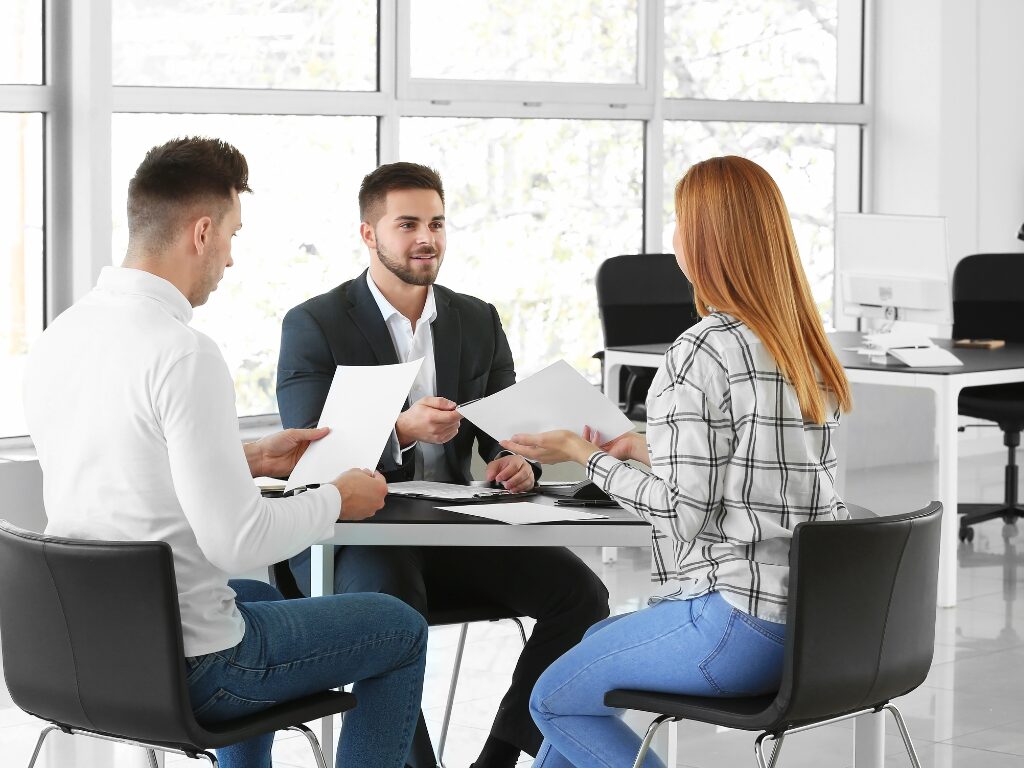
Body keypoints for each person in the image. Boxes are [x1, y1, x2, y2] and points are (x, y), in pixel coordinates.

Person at [24, 137, 428, 768]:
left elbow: (123, 468)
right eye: (234, 236)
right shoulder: (182, 352)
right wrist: (336, 500)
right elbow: (239, 541)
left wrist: (251, 459)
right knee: (398, 625)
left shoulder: (62, 337)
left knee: (257, 599)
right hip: (195, 668)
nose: (232, 260)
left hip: (88, 654)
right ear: (203, 232)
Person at [501, 155, 853, 768]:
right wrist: (644, 450)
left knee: (553, 700)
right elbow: (758, 470)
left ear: (702, 240)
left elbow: (681, 513)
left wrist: (581, 455)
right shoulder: (802, 346)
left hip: (738, 626)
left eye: (679, 222)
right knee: (590, 647)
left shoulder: (698, 352)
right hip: (814, 627)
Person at [276, 161, 610, 768]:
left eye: (436, 222)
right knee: (392, 613)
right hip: (352, 534)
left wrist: (516, 463)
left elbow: (504, 432)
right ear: (369, 234)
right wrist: (399, 430)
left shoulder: (476, 319)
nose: (425, 238)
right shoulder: (314, 324)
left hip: (451, 527)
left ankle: (500, 759)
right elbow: (305, 452)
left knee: (581, 594)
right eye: (406, 224)